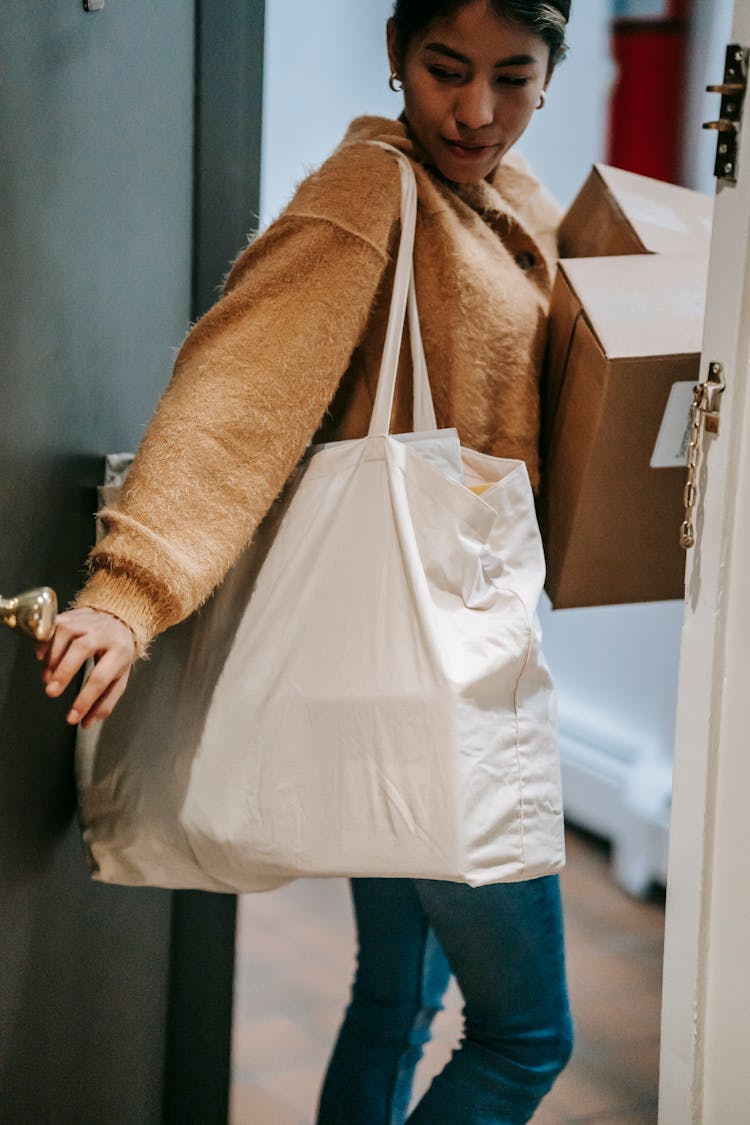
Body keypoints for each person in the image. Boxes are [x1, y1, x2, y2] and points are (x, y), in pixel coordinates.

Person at [40, 1, 575, 1120]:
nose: (477, 112)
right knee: (527, 1038)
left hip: (443, 635)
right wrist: (131, 594)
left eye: (514, 79)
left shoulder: (509, 207)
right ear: (395, 53)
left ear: (551, 72)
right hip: (427, 672)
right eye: (445, 70)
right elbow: (238, 390)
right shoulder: (369, 190)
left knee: (394, 997)